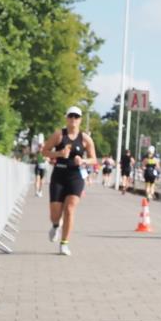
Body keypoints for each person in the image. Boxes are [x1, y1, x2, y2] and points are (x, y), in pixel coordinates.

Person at [41, 106, 96, 256]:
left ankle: (64, 243)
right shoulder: (59, 135)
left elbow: (94, 159)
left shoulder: (85, 138)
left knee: (70, 209)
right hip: (59, 174)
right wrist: (59, 153)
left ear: (80, 120)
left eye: (76, 117)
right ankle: (55, 225)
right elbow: (44, 151)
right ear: (66, 118)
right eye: (71, 116)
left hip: (75, 176)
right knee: (55, 212)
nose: (73, 119)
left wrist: (83, 160)